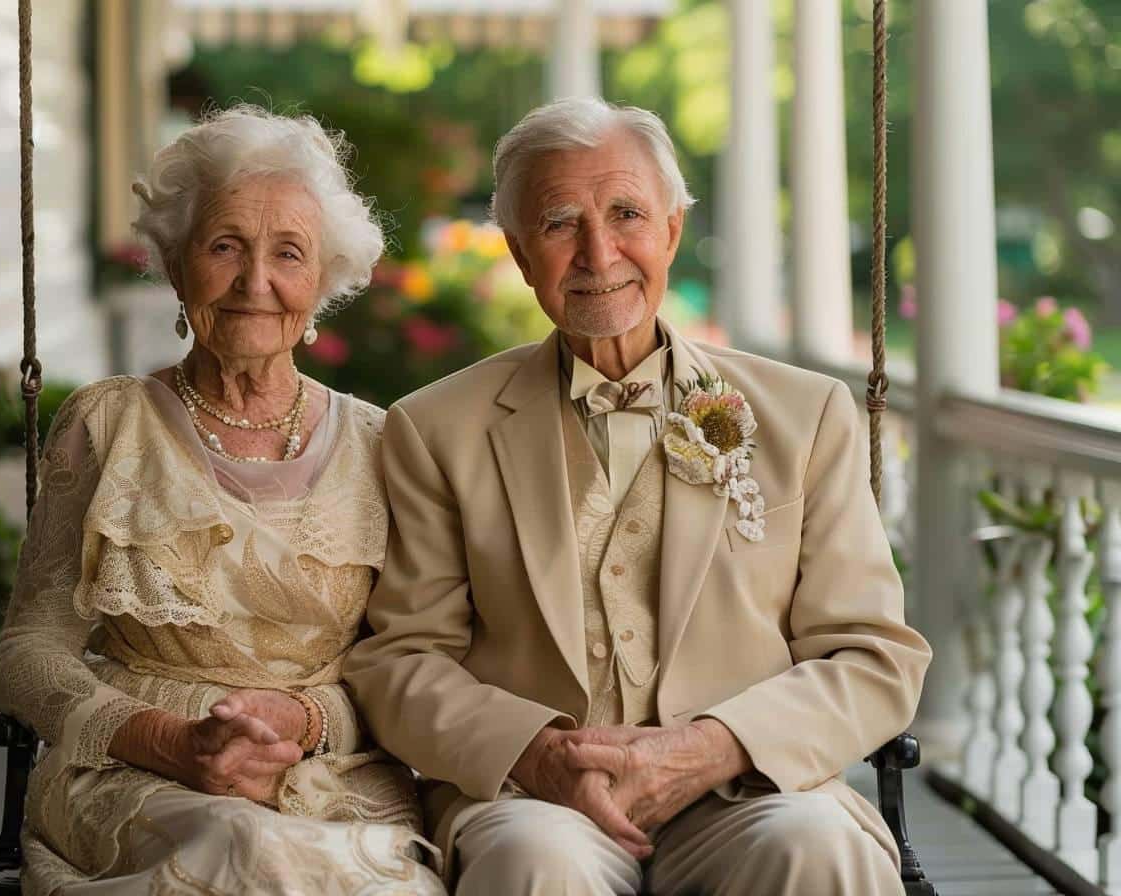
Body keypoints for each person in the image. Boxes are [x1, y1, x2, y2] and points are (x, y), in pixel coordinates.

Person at [344, 97, 933, 895]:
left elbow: (873, 656)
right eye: (559, 224)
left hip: (749, 787)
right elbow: (402, 659)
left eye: (626, 213)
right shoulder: (436, 428)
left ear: (672, 231)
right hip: (538, 798)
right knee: (534, 864)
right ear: (520, 255)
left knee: (815, 846)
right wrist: (539, 754)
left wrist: (716, 745)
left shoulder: (806, 415)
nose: (598, 252)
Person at [0, 105, 445, 896]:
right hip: (138, 776)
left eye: (288, 254)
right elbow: (28, 651)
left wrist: (301, 723)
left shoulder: (382, 444)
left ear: (324, 280)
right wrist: (168, 741)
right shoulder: (108, 424)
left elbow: (411, 663)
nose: (254, 282)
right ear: (175, 263)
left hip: (331, 781)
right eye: (225, 245)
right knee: (236, 846)